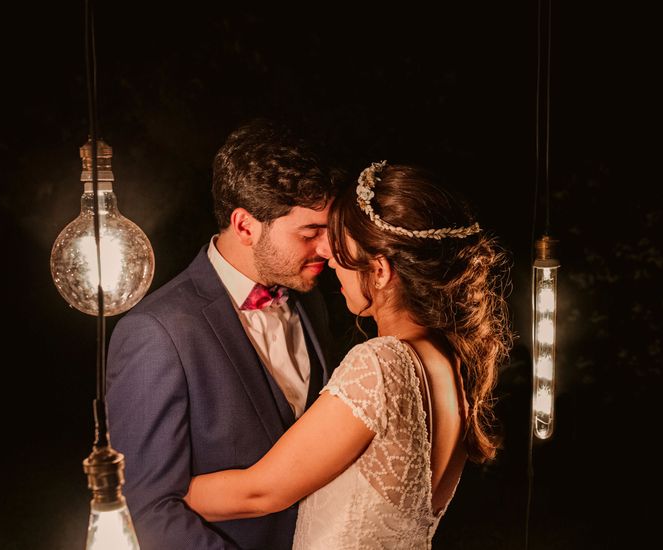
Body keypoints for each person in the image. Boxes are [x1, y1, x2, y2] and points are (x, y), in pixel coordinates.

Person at [184, 161, 513, 548]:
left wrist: (148, 492)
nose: (329, 259)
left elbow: (260, 492)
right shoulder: (448, 363)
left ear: (380, 271)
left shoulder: (383, 365)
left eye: (340, 249)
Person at [106, 119, 340, 549]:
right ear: (246, 225)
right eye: (311, 233)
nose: (327, 248)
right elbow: (147, 509)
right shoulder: (156, 333)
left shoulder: (312, 301)